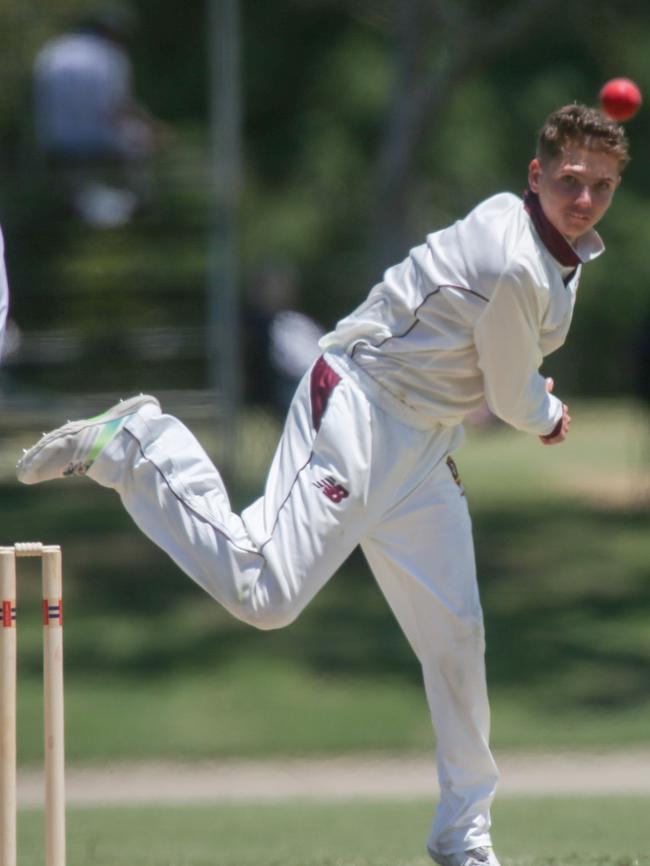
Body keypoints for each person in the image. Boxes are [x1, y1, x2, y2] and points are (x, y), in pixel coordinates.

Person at [16, 104, 628, 866]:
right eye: (571, 180)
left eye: (602, 185)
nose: (585, 200)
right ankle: (143, 445)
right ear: (535, 176)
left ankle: (463, 838)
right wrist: (550, 415)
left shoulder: (540, 243)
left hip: (425, 445)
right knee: (265, 596)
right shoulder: (513, 258)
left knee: (456, 637)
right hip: (361, 413)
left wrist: (521, 400)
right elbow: (509, 397)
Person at [32, 2, 166, 227]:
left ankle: (81, 204)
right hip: (99, 142)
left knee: (81, 183)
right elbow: (116, 107)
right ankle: (141, 205)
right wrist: (154, 130)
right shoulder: (109, 56)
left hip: (55, 141)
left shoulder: (54, 50)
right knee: (142, 139)